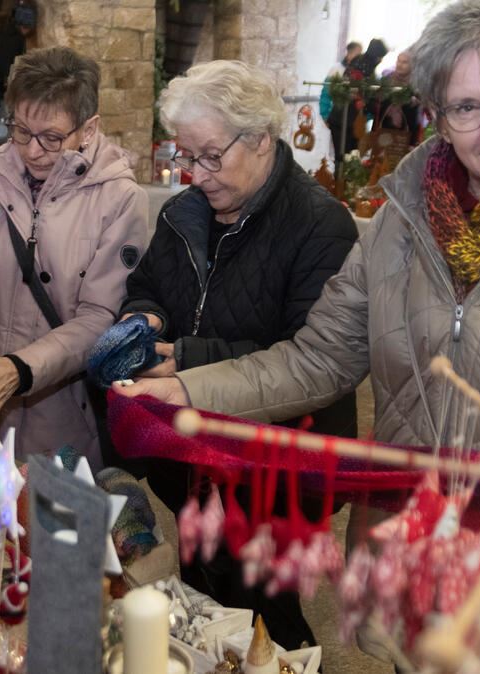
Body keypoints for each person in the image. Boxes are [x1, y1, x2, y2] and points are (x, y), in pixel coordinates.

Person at [117, 0, 480, 470]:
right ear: (439, 118)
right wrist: (187, 389)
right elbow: (317, 360)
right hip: (399, 536)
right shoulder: (401, 225)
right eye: (466, 107)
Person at [120, 59, 358, 649]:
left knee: (265, 621)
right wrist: (143, 319)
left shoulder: (321, 225)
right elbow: (148, 286)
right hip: (193, 455)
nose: (195, 174)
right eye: (186, 156)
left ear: (260, 138)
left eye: (210, 156)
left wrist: (185, 359)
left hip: (274, 470)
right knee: (203, 596)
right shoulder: (184, 212)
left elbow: (307, 360)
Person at [0, 46, 148, 470]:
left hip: (64, 424)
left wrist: (22, 368)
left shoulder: (119, 199)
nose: (32, 151)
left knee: (54, 514)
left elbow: (100, 318)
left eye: (51, 138)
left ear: (88, 129)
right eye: (20, 130)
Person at [327, 38, 389, 165]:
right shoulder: (365, 67)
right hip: (346, 120)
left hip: (345, 119)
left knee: (346, 158)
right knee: (347, 158)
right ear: (376, 56)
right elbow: (361, 94)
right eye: (380, 57)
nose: (381, 60)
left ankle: (341, 175)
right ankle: (342, 177)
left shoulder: (359, 61)